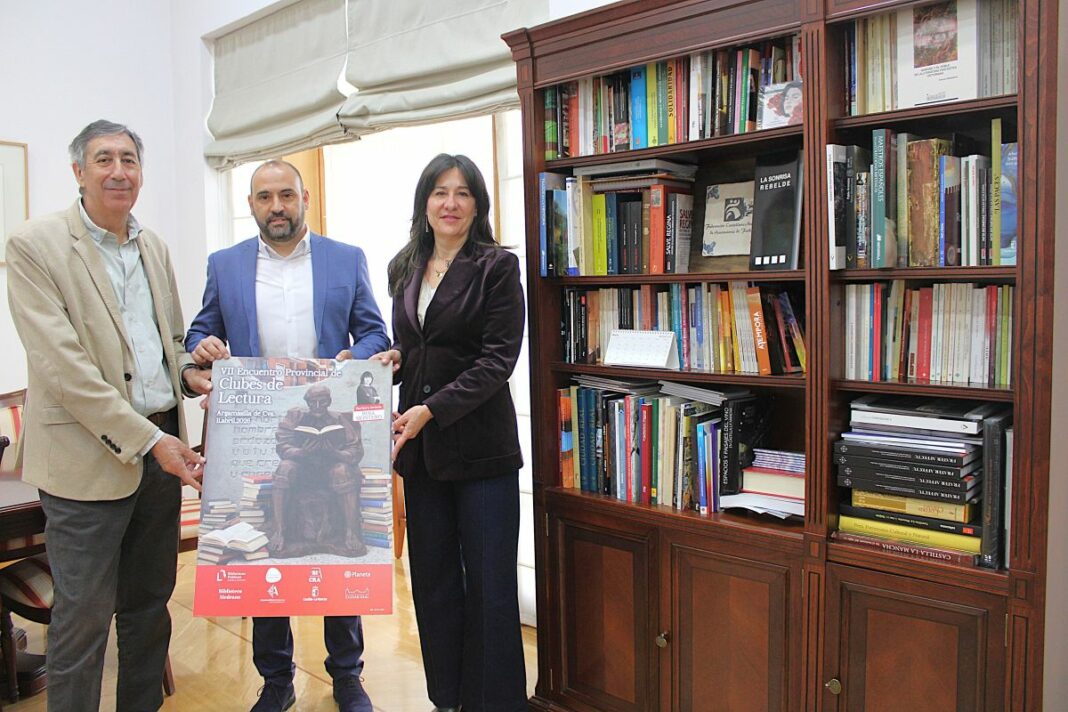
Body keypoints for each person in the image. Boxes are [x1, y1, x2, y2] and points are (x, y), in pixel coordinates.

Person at [5, 119, 209, 712]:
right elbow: (63, 368)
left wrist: (191, 373)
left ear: (140, 174)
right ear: (78, 172)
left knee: (149, 609)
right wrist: (150, 440)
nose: (118, 171)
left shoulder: (154, 247)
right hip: (87, 462)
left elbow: (168, 340)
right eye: (103, 160)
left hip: (162, 456)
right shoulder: (34, 245)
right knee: (83, 621)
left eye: (129, 159)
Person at [186, 159, 389, 712]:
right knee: (268, 558)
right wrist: (200, 351)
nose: (276, 206)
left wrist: (358, 357)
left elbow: (374, 330)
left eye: (286, 195)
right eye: (263, 197)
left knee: (339, 551)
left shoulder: (345, 259)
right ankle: (276, 681)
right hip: (265, 432)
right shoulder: (224, 265)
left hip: (329, 423)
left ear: (304, 199)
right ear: (251, 204)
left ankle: (347, 676)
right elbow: (201, 331)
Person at [374, 154, 526, 712]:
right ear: (425, 202)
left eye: (463, 193)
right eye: (440, 192)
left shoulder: (496, 267)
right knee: (433, 584)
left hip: (482, 451)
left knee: (489, 588)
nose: (451, 203)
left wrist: (431, 408)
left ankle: (497, 703)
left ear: (478, 204)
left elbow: (496, 362)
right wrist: (389, 359)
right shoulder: (405, 265)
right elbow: (416, 348)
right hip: (422, 456)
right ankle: (449, 699)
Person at [271, 384, 366, 557]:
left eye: (322, 402)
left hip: (330, 468)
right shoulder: (295, 416)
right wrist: (301, 452)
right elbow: (282, 446)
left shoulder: (340, 419)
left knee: (342, 471)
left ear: (329, 401)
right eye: (313, 402)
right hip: (304, 469)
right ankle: (279, 531)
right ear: (307, 402)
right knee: (284, 468)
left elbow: (356, 450)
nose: (317, 407)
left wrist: (335, 453)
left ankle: (351, 532)